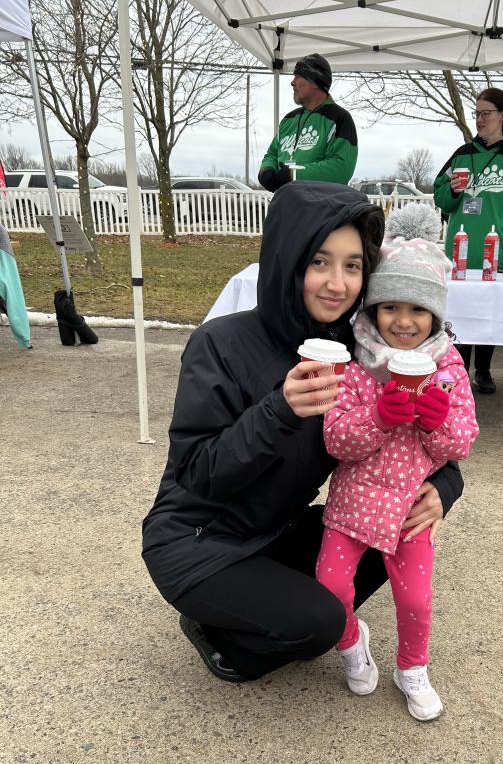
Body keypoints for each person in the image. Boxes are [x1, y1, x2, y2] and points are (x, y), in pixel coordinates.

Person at [141, 181, 464, 684]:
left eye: (353, 266)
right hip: (199, 539)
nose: (338, 283)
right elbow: (199, 472)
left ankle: (262, 600)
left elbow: (422, 439)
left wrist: (444, 488)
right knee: (318, 627)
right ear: (288, 261)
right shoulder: (220, 344)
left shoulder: (361, 351)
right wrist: (280, 411)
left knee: (390, 534)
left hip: (276, 529)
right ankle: (213, 626)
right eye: (319, 262)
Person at [315, 205, 479, 721]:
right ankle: (350, 643)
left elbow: (461, 442)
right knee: (331, 588)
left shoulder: (447, 365)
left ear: (435, 314)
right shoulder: (356, 361)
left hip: (410, 507)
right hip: (351, 503)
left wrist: (437, 423)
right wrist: (379, 417)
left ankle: (412, 667)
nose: (402, 322)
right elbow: (337, 439)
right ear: (372, 310)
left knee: (416, 599)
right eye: (389, 308)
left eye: (417, 310)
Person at [434, 87, 503, 395]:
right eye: (476, 113)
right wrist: (451, 190)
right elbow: (442, 199)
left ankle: (484, 370)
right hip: (459, 252)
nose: (479, 119)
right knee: (460, 314)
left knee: (487, 314)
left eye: (486, 113)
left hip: (497, 252)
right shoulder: (462, 154)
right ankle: (459, 369)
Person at [258, 54, 357, 192]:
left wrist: (293, 174)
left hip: (322, 209)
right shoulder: (289, 120)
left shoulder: (339, 118)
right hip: (286, 206)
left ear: (315, 82)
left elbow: (341, 168)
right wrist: (266, 170)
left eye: (298, 76)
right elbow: (272, 154)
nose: (292, 82)